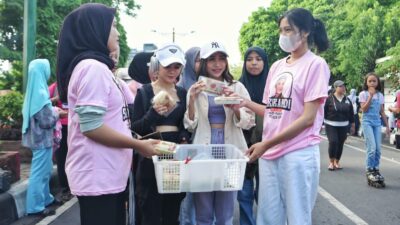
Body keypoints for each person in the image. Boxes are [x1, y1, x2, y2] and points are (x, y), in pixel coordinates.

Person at [56, 3, 159, 225]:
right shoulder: (92, 68)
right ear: (96, 29)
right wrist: (138, 145)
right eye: (113, 26)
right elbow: (91, 127)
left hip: (107, 175)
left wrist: (137, 139)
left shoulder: (100, 69)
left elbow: (114, 120)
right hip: (98, 176)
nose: (118, 32)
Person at [236, 8, 330, 225]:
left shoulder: (316, 64)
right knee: (268, 217)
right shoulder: (277, 66)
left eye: (288, 29)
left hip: (297, 153)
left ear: (305, 32)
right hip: (270, 154)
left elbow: (308, 118)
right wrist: (244, 102)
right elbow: (272, 111)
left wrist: (266, 143)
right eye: (281, 30)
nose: (283, 35)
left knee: (297, 218)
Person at [184, 41, 255, 225]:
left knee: (225, 215)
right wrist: (191, 100)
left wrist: (236, 107)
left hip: (230, 155)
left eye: (221, 59)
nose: (217, 64)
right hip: (203, 155)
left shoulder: (237, 87)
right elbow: (190, 125)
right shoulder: (196, 89)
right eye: (212, 59)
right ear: (204, 63)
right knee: (203, 214)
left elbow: (249, 122)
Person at [131, 43, 189, 225]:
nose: (172, 71)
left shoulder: (183, 93)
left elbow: (186, 125)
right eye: (168, 66)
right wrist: (153, 114)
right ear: (158, 66)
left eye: (177, 67)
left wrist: (184, 138)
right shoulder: (145, 91)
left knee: (172, 209)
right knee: (150, 209)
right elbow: (134, 128)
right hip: (151, 156)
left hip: (174, 156)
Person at [22, 59, 66, 217]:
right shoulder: (40, 93)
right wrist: (57, 112)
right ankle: (35, 207)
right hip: (41, 139)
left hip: (38, 138)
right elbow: (46, 120)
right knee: (40, 172)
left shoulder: (34, 90)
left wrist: (51, 107)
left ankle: (46, 198)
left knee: (45, 170)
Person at [237, 46, 268, 225]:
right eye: (250, 59)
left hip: (268, 146)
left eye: (258, 59)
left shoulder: (275, 87)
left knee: (265, 194)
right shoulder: (238, 86)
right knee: (244, 194)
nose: (254, 63)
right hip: (244, 145)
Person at [177, 46, 200, 225]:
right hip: (186, 145)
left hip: (203, 145)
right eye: (198, 60)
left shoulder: (208, 84)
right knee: (187, 194)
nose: (201, 64)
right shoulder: (181, 86)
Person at [359, 72, 390, 187]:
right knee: (371, 148)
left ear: (377, 83)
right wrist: (370, 96)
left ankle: (375, 168)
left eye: (374, 81)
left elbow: (382, 112)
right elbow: (364, 109)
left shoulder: (380, 95)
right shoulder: (363, 94)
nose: (372, 83)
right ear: (366, 83)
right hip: (367, 122)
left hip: (377, 123)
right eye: (370, 81)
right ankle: (369, 170)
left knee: (378, 149)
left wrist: (387, 126)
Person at [48, 82, 72, 201]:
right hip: (60, 127)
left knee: (77, 157)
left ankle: (76, 186)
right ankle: (65, 188)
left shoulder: (77, 82)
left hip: (76, 126)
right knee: (62, 158)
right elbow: (44, 103)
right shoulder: (55, 86)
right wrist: (56, 99)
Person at [324, 80, 354, 170]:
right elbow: (324, 111)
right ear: (335, 88)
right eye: (340, 86)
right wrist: (321, 124)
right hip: (330, 124)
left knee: (340, 143)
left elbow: (351, 113)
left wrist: (352, 125)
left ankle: (337, 161)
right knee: (333, 141)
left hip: (344, 125)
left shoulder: (347, 100)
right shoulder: (329, 99)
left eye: (344, 86)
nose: (343, 88)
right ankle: (331, 162)